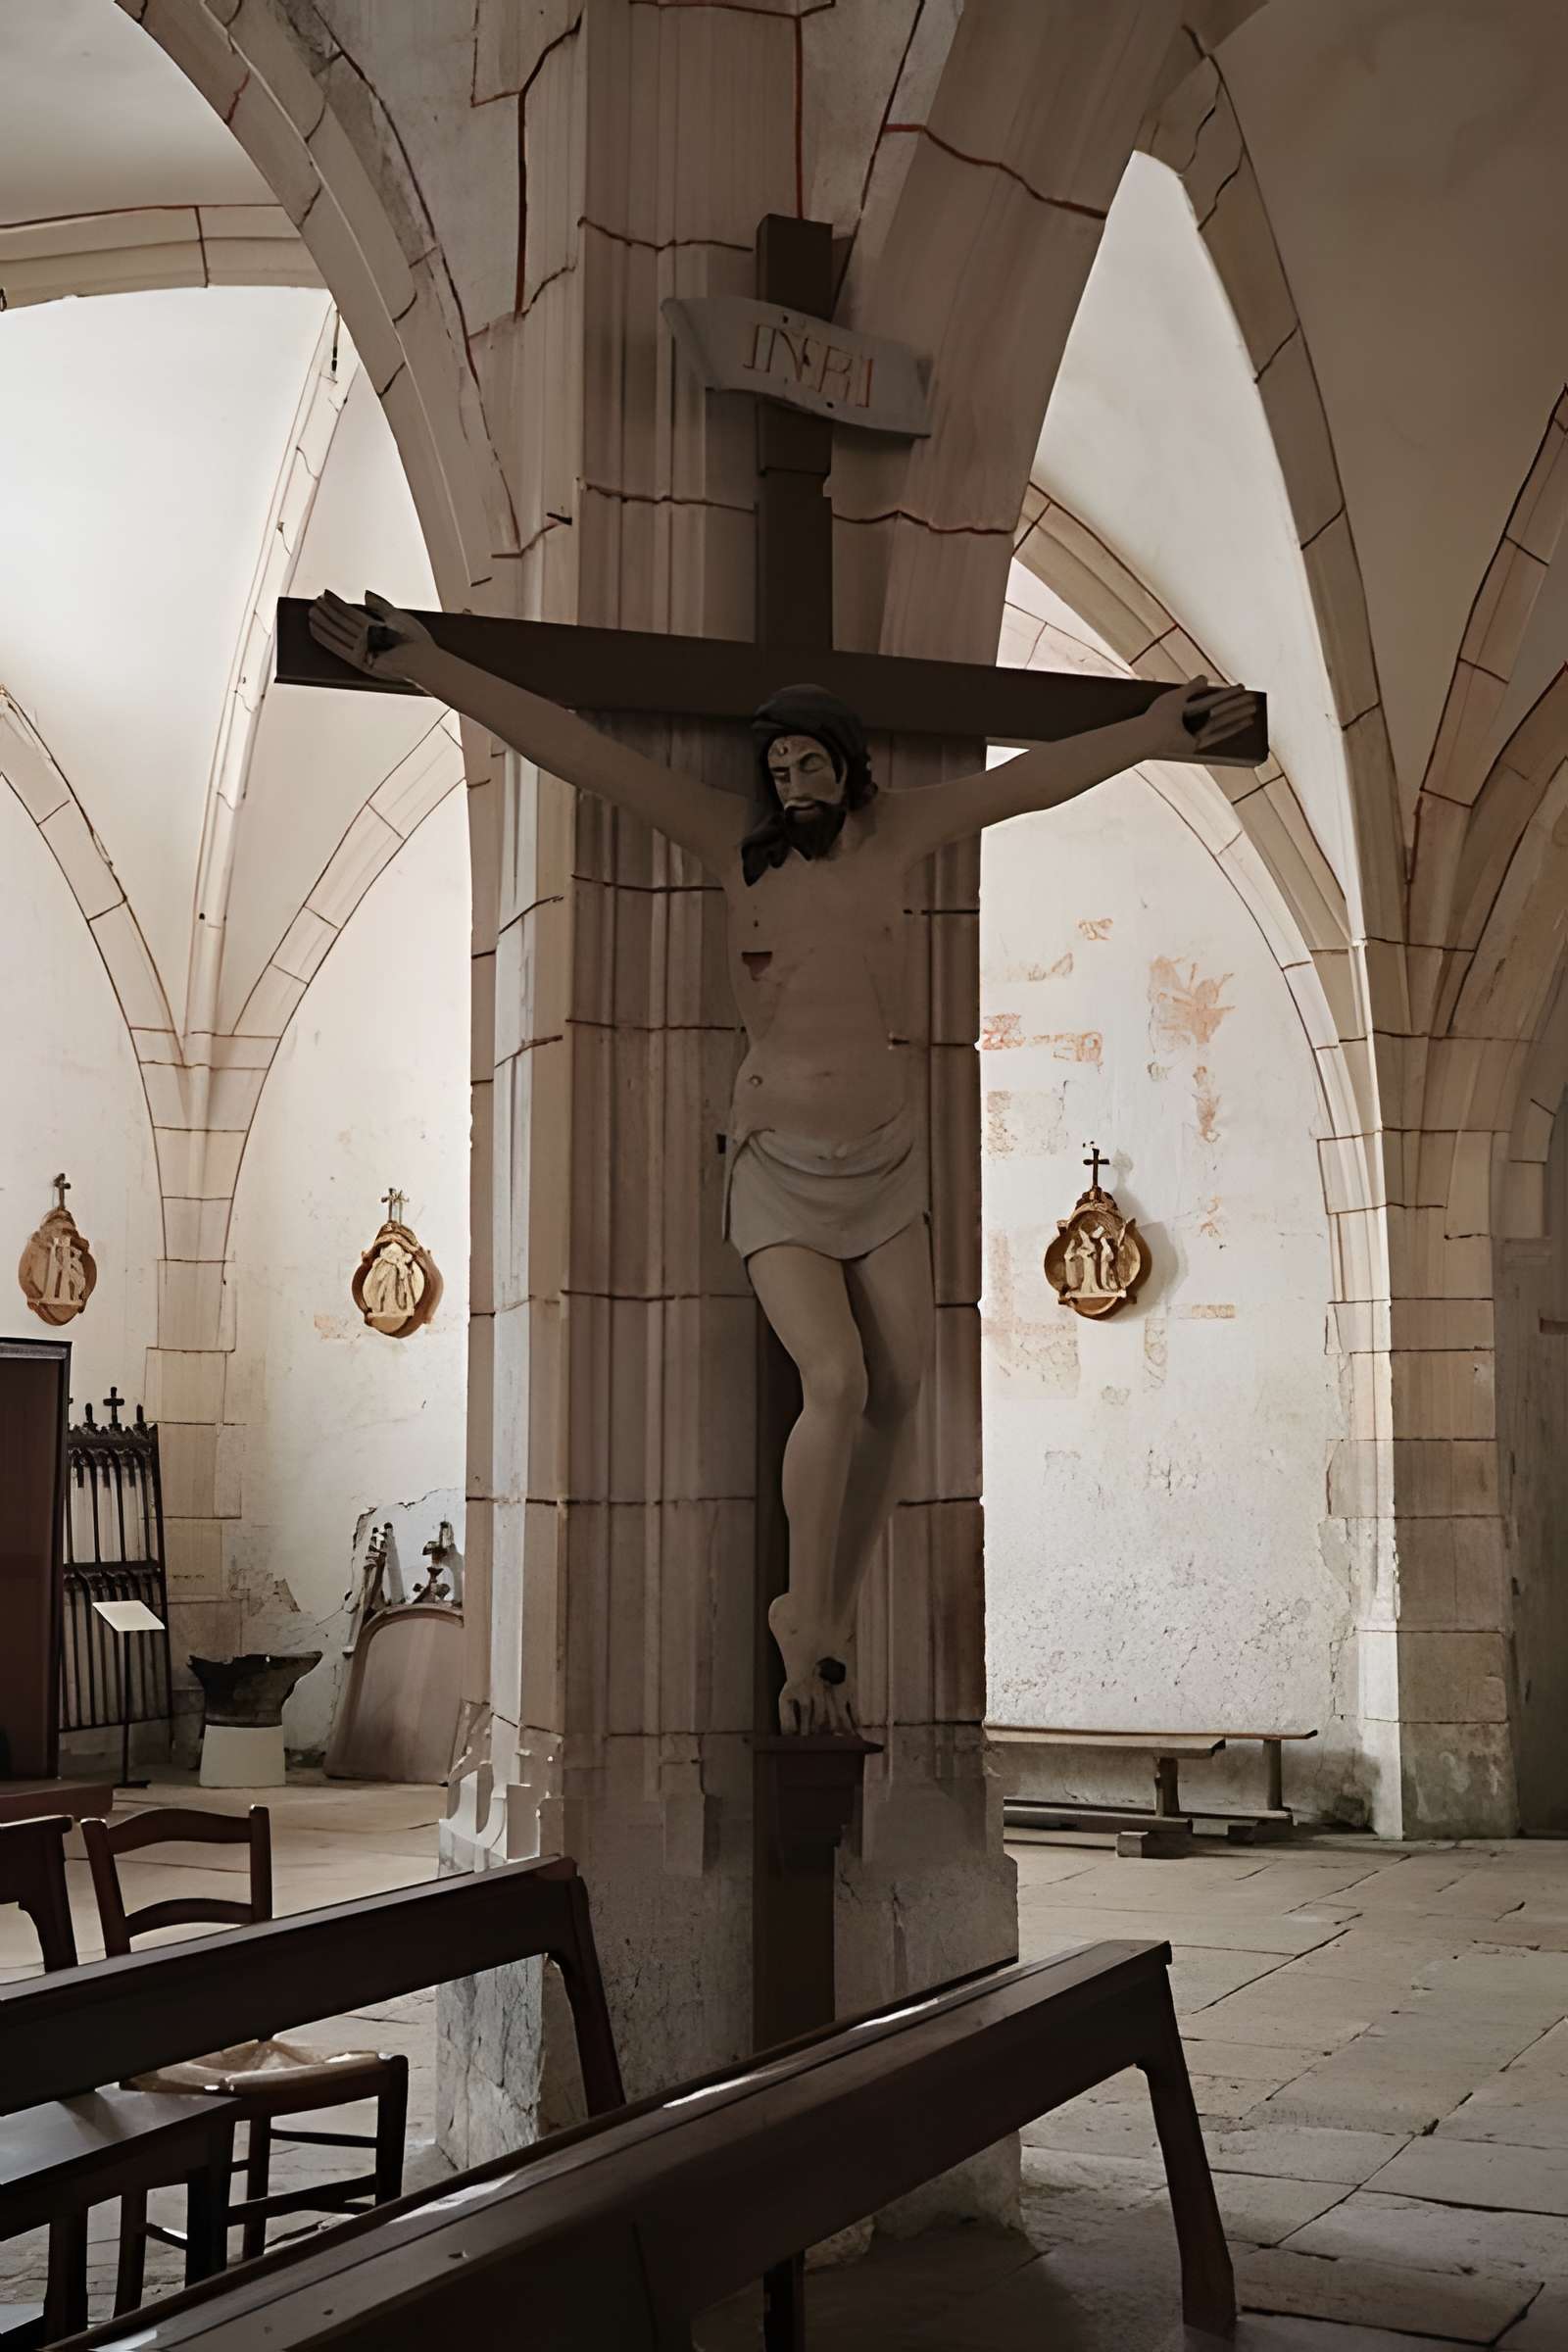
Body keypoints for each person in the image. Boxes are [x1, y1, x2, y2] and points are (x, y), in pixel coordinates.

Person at [309, 589, 1256, 1732]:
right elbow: (576, 749)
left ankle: (826, 1614)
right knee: (840, 1378)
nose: (791, 781)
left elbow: (1027, 781)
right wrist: (430, 667)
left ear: (850, 770)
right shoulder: (730, 844)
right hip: (776, 1163)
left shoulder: (898, 830)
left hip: (889, 1154)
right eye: (781, 766)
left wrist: (1152, 732)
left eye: (812, 763)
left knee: (905, 1386)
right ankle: (801, 1609)